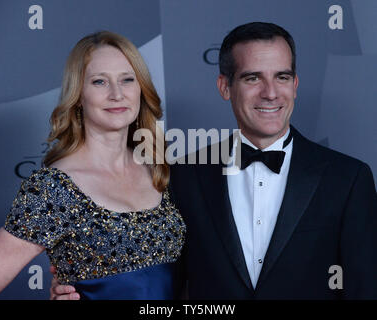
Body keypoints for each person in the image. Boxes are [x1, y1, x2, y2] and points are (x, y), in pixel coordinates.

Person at [52, 22, 377, 300]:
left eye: (282, 77)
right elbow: (161, 287)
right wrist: (84, 289)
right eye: (252, 78)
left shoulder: (347, 178)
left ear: (295, 85)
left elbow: (365, 289)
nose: (270, 92)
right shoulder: (183, 176)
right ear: (225, 86)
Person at [0, 31, 186, 300]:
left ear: (140, 89)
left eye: (127, 80)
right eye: (100, 82)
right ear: (78, 95)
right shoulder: (53, 188)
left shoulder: (161, 169)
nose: (117, 94)